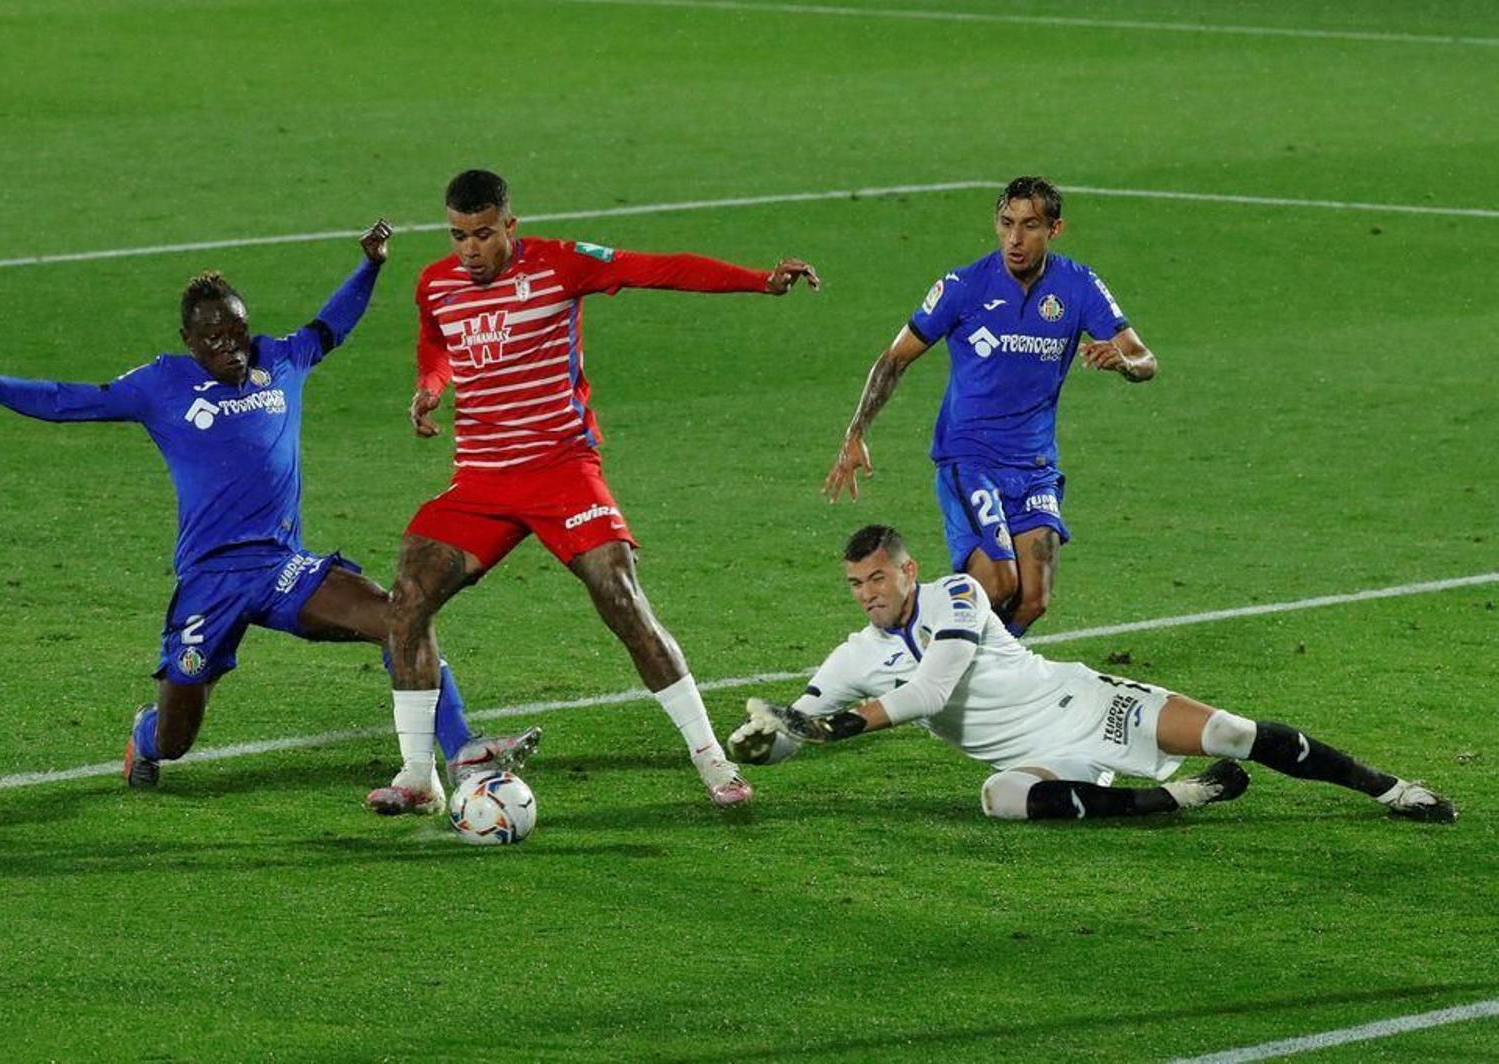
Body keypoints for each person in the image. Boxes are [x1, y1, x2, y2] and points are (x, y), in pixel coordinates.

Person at [0, 221, 533, 811]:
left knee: (402, 616)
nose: (228, 346)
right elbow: (67, 401)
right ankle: (145, 738)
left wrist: (369, 266)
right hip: (209, 583)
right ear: (190, 342)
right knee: (177, 741)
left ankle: (458, 755)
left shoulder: (283, 359)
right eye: (212, 337)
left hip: (281, 567)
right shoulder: (160, 384)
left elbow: (333, 324)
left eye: (236, 331)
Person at [382, 168, 819, 808]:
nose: (469, 250)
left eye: (481, 235)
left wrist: (758, 280)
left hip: (562, 469)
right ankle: (418, 777)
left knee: (620, 595)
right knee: (407, 599)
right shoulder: (436, 284)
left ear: (511, 225)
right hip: (481, 479)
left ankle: (713, 763)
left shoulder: (562, 265)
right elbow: (435, 340)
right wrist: (430, 387)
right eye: (458, 236)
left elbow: (658, 268)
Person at [729, 525, 1457, 824]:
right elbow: (801, 722)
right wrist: (764, 742)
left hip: (1085, 704)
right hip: (1040, 755)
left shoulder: (956, 593)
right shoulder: (854, 656)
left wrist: (830, 727)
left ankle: (1390, 789)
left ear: (906, 570)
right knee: (1002, 797)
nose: (868, 594)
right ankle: (1174, 798)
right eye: (856, 584)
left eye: (877, 578)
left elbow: (930, 693)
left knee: (1233, 731)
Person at [823, 176, 1156, 636]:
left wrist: (1122, 362)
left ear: (1054, 230)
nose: (1015, 238)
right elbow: (895, 357)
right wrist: (856, 431)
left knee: (1033, 599)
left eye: (1030, 225)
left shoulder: (1079, 286)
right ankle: (909, 648)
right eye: (1006, 223)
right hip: (971, 457)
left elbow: (1145, 360)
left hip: (1035, 465)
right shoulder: (963, 286)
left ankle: (964, 679)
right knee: (997, 585)